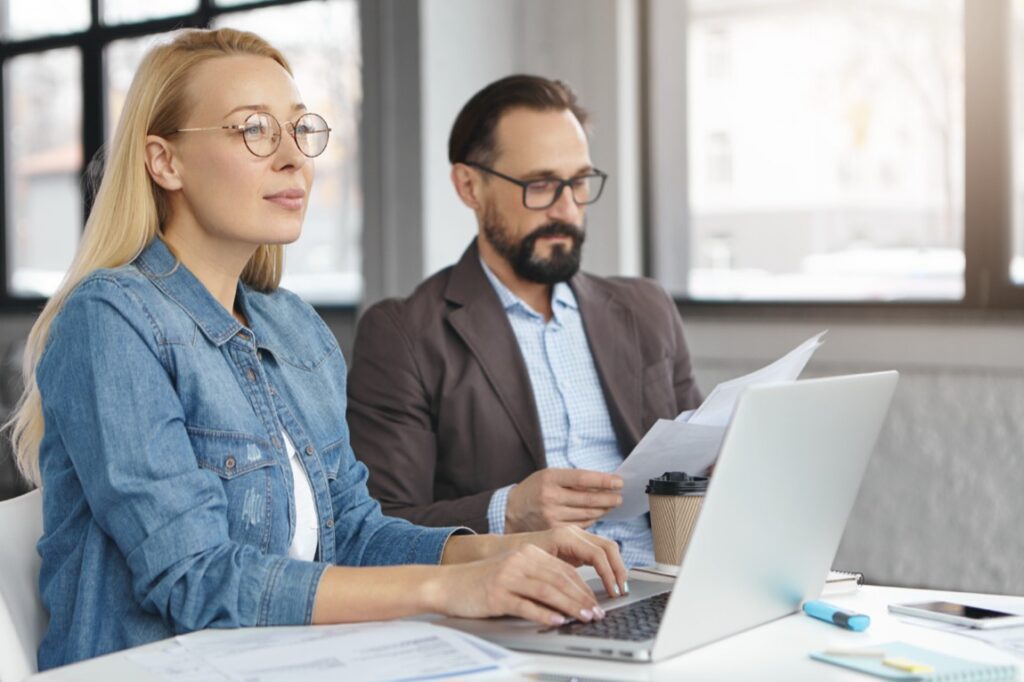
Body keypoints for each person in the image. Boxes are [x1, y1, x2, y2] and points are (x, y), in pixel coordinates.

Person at [5, 31, 627, 671]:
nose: (293, 159)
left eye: (300, 131)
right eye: (254, 130)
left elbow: (353, 531)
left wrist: (501, 552)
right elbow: (196, 580)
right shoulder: (110, 319)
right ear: (165, 162)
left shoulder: (292, 325)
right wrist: (450, 587)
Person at [347, 75, 702, 569]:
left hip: (664, 579)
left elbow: (702, 464)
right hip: (526, 593)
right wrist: (508, 511)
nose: (566, 209)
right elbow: (379, 527)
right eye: (540, 186)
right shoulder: (405, 334)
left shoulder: (646, 309)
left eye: (578, 182)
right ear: (469, 185)